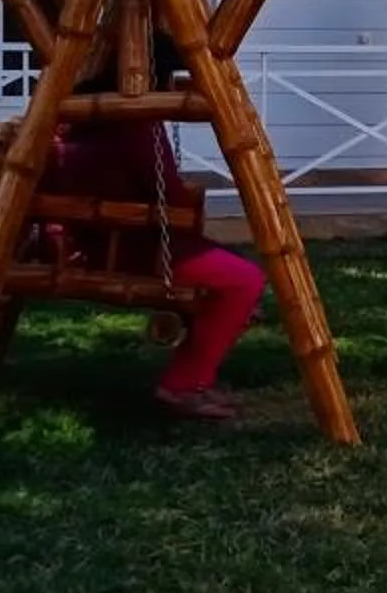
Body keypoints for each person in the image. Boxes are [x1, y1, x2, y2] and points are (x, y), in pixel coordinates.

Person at [42, 63, 266, 422]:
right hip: (141, 250)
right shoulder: (136, 127)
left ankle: (196, 376)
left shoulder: (67, 126)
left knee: (229, 267)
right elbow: (170, 198)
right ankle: (184, 384)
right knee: (245, 281)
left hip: (91, 244)